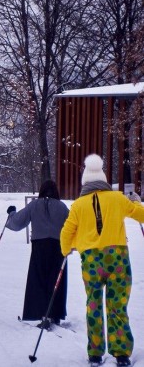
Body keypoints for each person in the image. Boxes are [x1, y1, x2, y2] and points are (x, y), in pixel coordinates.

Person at [60, 154, 144, 367]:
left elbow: (67, 231)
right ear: (104, 179)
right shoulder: (117, 198)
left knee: (94, 303)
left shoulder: (78, 205)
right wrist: (136, 202)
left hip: (91, 260)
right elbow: (140, 214)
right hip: (117, 258)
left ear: (85, 182)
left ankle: (95, 353)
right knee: (117, 305)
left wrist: (66, 249)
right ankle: (121, 353)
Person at [6, 180, 69, 329]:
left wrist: (11, 213)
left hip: (39, 247)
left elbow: (17, 222)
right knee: (56, 280)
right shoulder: (62, 207)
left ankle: (41, 313)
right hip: (58, 247)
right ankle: (55, 314)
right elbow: (72, 226)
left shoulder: (34, 205)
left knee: (39, 279)